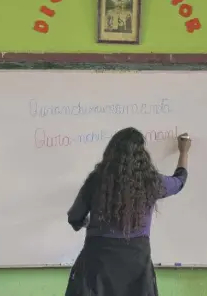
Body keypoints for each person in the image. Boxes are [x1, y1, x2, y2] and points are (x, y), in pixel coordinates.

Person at [65, 127, 191, 296]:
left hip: (96, 263)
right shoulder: (151, 182)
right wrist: (184, 152)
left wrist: (85, 223)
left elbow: (74, 217)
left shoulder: (96, 180)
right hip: (136, 264)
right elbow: (180, 181)